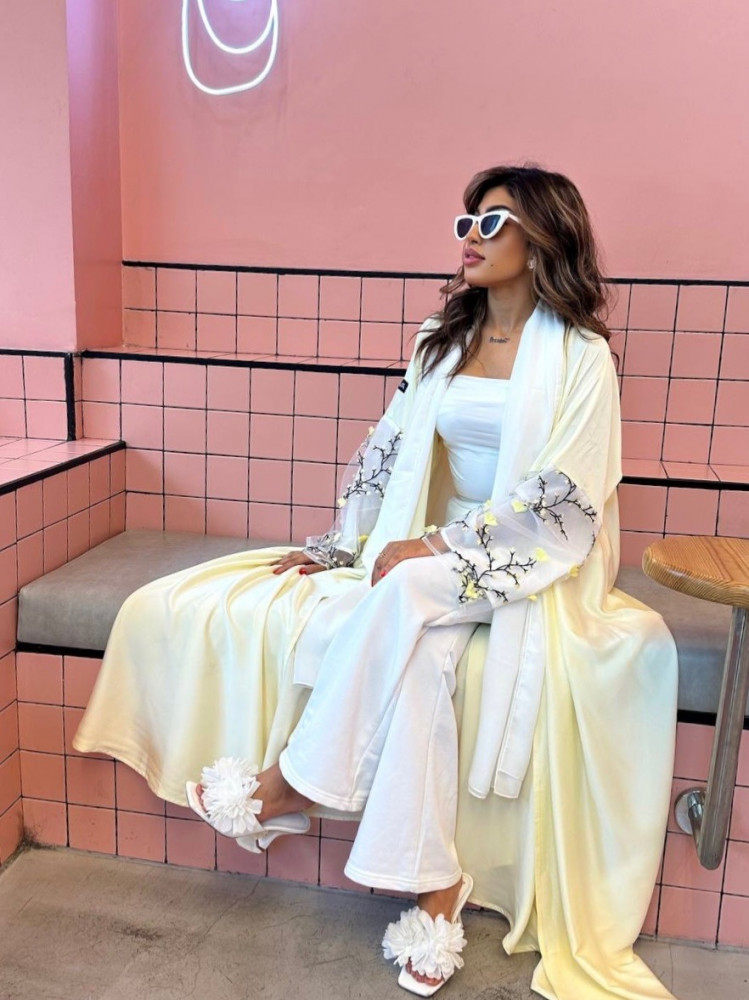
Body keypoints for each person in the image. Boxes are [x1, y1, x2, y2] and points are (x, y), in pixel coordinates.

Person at [74, 164, 679, 999]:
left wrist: (437, 543)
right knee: (421, 654)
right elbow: (388, 449)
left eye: (491, 223)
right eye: (465, 222)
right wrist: (342, 546)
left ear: (543, 238)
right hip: (432, 546)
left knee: (406, 589)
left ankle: (289, 780)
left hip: (527, 553)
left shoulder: (582, 358)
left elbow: (564, 496)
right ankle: (436, 889)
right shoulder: (443, 337)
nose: (469, 238)